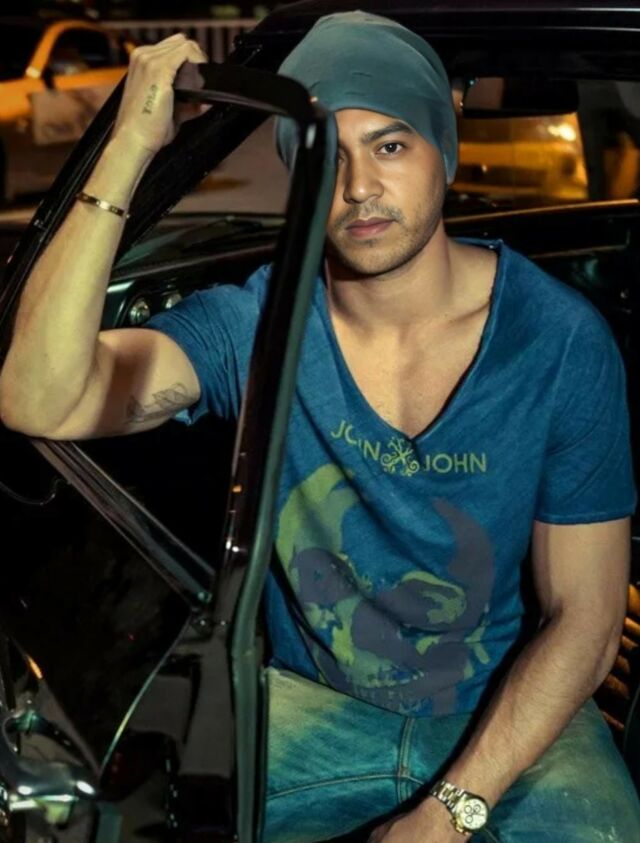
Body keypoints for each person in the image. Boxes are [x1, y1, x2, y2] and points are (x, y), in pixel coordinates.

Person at [0, 10, 639, 843]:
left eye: (390, 144)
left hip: (504, 711)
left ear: (442, 151)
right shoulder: (257, 324)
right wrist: (127, 148)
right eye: (328, 155)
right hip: (311, 708)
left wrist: (449, 812)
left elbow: (586, 620)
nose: (359, 186)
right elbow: (40, 398)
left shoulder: (558, 341)